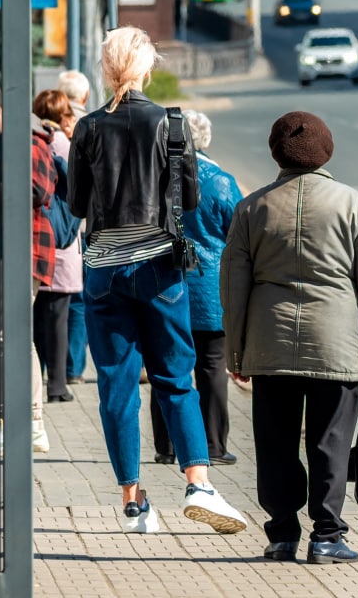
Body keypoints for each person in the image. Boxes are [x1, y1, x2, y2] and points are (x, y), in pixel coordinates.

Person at [67, 26, 246, 536]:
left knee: (115, 385)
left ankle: (132, 498)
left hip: (102, 269)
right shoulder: (171, 124)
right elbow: (187, 199)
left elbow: (77, 204)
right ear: (148, 68)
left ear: (106, 69)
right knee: (174, 378)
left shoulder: (88, 129)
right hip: (159, 270)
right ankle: (198, 482)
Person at [221, 111, 358, 565]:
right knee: (330, 440)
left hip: (268, 343)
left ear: (276, 151)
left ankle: (281, 534)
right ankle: (327, 535)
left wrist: (236, 351)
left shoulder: (251, 208)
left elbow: (234, 287)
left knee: (274, 441)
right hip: (336, 342)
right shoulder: (357, 206)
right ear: (327, 150)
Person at [150, 109, 242, 467]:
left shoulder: (158, 178)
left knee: (168, 366)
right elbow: (238, 233)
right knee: (212, 366)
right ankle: (214, 446)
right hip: (210, 291)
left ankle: (167, 446)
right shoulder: (220, 181)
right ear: (204, 140)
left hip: (167, 285)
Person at [32, 90, 81, 404]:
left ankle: (42, 377)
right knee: (59, 319)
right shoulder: (64, 144)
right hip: (62, 245)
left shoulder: (42, 142)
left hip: (40, 240)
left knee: (38, 319)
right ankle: (57, 384)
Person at [55, 69, 91, 385]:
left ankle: (57, 363)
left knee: (60, 300)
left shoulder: (52, 126)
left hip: (61, 227)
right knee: (79, 299)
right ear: (85, 96)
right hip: (84, 230)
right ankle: (74, 367)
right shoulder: (93, 124)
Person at [29, 111, 57, 453]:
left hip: (28, 249)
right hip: (27, 249)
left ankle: (33, 421)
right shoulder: (34, 139)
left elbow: (36, 189)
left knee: (15, 337)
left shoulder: (30, 142)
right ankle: (31, 421)